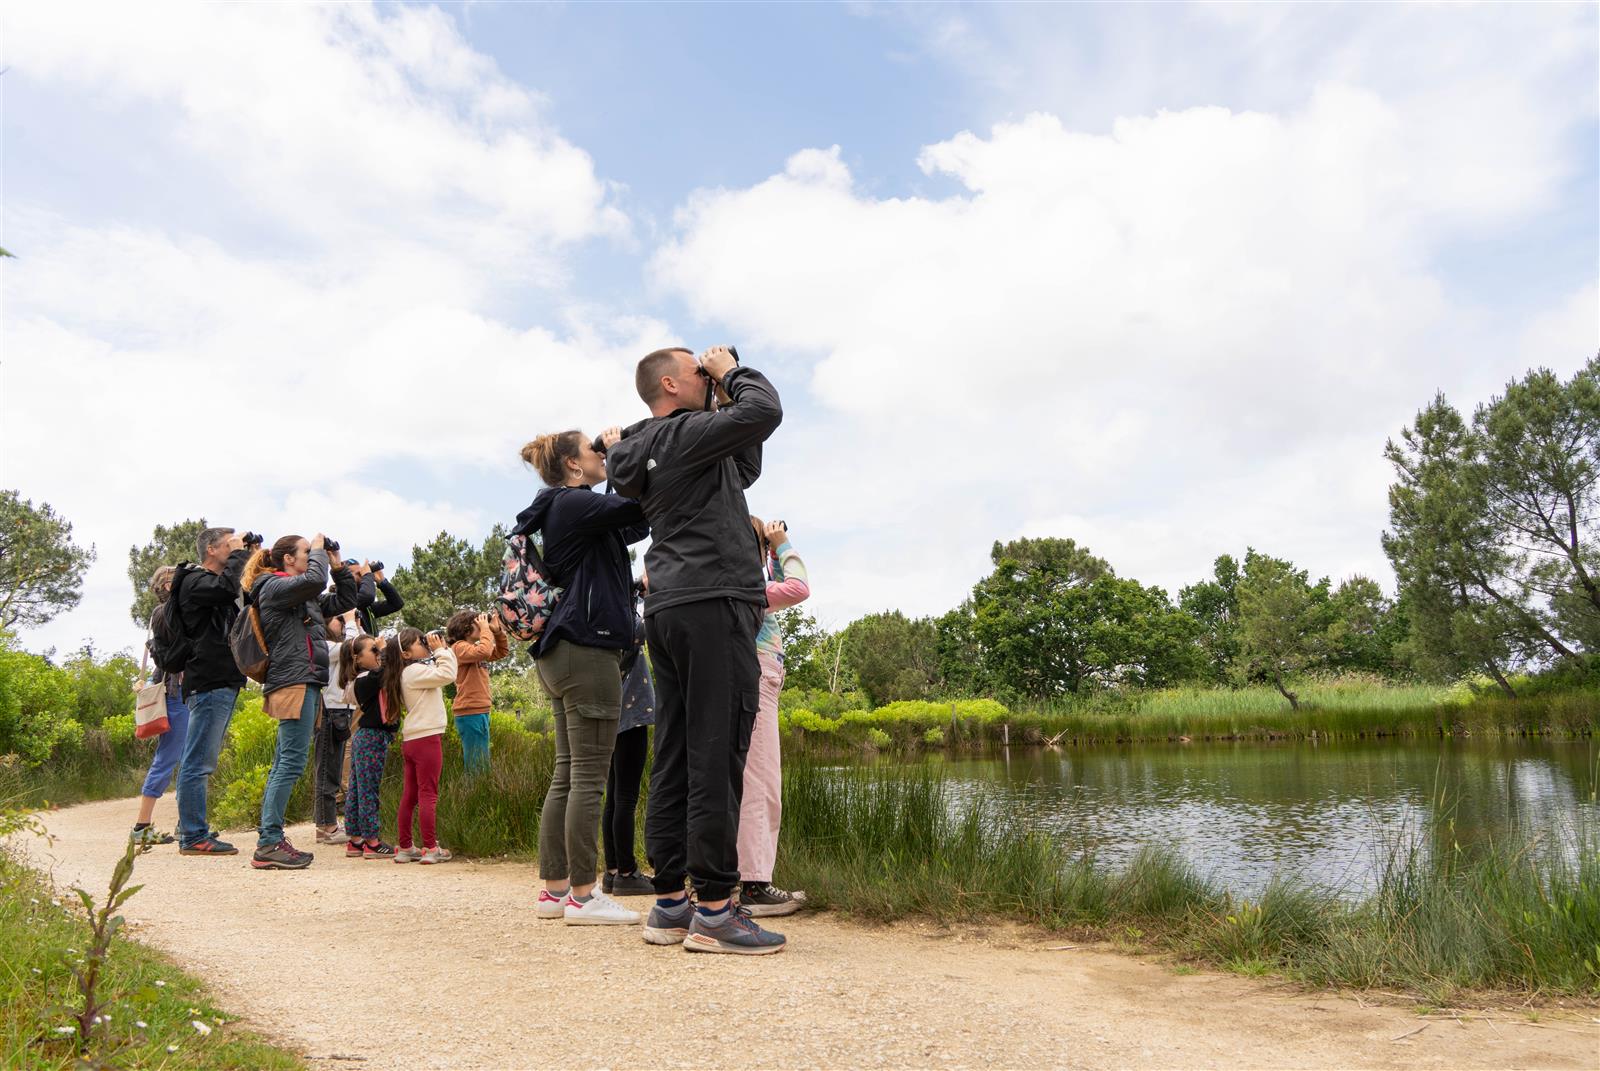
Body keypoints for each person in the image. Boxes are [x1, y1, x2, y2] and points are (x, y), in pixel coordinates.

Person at [604, 345, 786, 954]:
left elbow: (745, 464)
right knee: (716, 752)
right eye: (695, 370)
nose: (705, 376)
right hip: (714, 601)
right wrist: (731, 371)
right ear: (669, 383)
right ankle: (715, 908)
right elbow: (766, 410)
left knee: (677, 751)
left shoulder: (650, 448)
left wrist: (719, 390)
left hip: (670, 606)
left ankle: (672, 904)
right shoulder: (683, 435)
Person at [519, 428, 649, 926]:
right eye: (593, 452)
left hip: (561, 652)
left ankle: (554, 893)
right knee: (589, 779)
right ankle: (583, 895)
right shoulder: (573, 505)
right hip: (587, 650)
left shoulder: (568, 510)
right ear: (574, 466)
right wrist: (621, 452)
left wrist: (615, 461)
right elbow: (637, 505)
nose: (600, 456)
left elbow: (635, 523)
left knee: (568, 774)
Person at [245, 533, 359, 870]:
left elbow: (346, 599)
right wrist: (321, 550)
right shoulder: (272, 586)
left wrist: (336, 565)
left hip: (303, 681)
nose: (312, 558)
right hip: (293, 682)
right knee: (291, 763)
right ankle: (268, 842)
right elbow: (313, 580)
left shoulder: (299, 596)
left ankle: (270, 839)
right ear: (287, 560)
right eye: (306, 553)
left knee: (286, 761)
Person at [738, 518, 810, 915]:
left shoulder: (738, 580)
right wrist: (783, 544)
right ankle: (755, 886)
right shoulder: (751, 587)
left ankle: (743, 879)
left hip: (752, 677)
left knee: (747, 780)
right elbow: (799, 587)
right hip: (759, 679)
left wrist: (768, 551)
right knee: (762, 783)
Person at [174, 526, 252, 856]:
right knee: (198, 762)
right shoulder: (194, 581)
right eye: (229, 546)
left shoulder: (214, 584)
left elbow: (240, 593)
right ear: (211, 550)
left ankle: (193, 829)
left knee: (201, 760)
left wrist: (247, 555)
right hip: (209, 682)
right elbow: (225, 588)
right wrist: (239, 554)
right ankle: (192, 835)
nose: (235, 551)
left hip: (220, 680)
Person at [129, 566, 191, 845]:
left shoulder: (179, 611)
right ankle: (142, 826)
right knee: (167, 759)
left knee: (190, 760)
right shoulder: (163, 614)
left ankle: (187, 824)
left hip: (185, 695)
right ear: (166, 587)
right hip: (175, 695)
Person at [602, 588, 656, 896]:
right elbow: (644, 629)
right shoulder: (624, 623)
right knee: (625, 798)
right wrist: (640, 595)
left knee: (613, 796)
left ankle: (612, 871)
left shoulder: (601, 620)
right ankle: (626, 871)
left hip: (614, 713)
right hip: (631, 713)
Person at [391, 626, 458, 864]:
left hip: (412, 739)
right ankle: (430, 848)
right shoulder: (415, 671)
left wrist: (441, 650)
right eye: (420, 642)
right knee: (428, 794)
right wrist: (441, 650)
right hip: (426, 738)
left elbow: (442, 671)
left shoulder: (408, 672)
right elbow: (449, 674)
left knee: (410, 795)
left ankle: (405, 847)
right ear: (406, 653)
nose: (425, 643)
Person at [343, 634, 396, 859]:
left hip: (366, 737)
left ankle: (355, 839)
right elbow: (384, 673)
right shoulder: (363, 680)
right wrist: (385, 652)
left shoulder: (370, 677)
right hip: (371, 737)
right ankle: (372, 841)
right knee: (367, 791)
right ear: (357, 659)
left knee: (357, 789)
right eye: (373, 650)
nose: (378, 653)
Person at [446, 609, 510, 775]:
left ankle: (480, 793)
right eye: (478, 623)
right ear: (466, 629)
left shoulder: (473, 649)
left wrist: (496, 632)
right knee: (477, 763)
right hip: (469, 711)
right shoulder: (458, 648)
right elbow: (484, 651)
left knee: (481, 760)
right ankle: (475, 796)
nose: (483, 626)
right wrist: (486, 631)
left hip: (479, 709)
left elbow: (502, 651)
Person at [314, 613, 355, 844]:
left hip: (341, 710)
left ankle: (325, 824)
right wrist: (350, 622)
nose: (343, 622)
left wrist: (353, 623)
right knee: (327, 770)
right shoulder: (325, 646)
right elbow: (353, 647)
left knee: (334, 769)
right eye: (338, 618)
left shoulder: (336, 646)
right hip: (330, 711)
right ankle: (326, 826)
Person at [353, 559, 404, 635]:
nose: (361, 574)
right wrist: (367, 575)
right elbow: (367, 597)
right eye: (358, 573)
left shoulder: (367, 608)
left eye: (361, 571)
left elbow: (396, 604)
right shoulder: (344, 603)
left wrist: (382, 582)